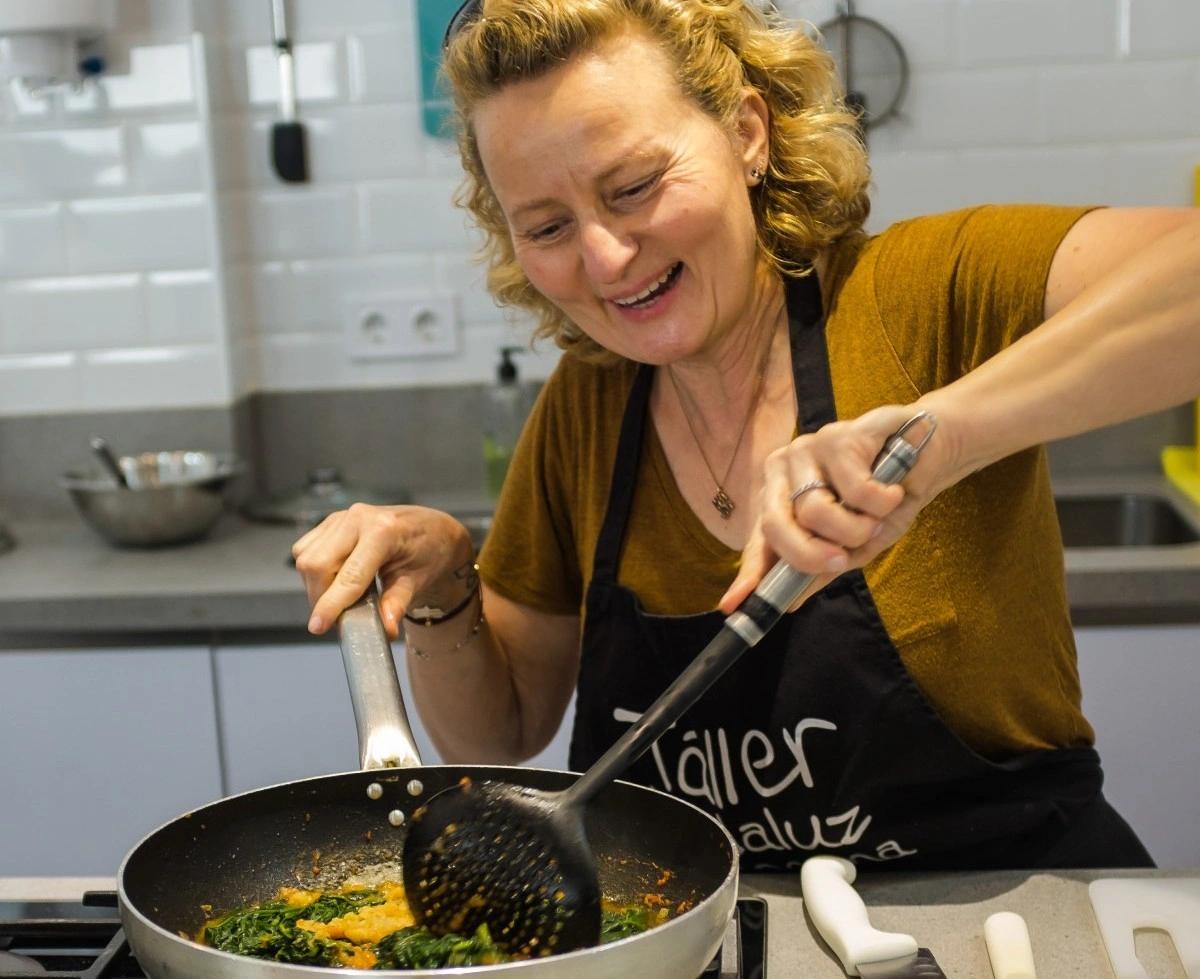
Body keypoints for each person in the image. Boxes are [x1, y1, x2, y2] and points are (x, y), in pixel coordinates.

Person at [292, 0, 1200, 872]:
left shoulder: (919, 296)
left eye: (636, 186)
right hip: (712, 930)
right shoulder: (587, 405)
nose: (606, 258)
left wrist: (939, 436)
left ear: (748, 134)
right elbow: (501, 734)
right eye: (548, 225)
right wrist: (449, 580)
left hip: (1011, 917)